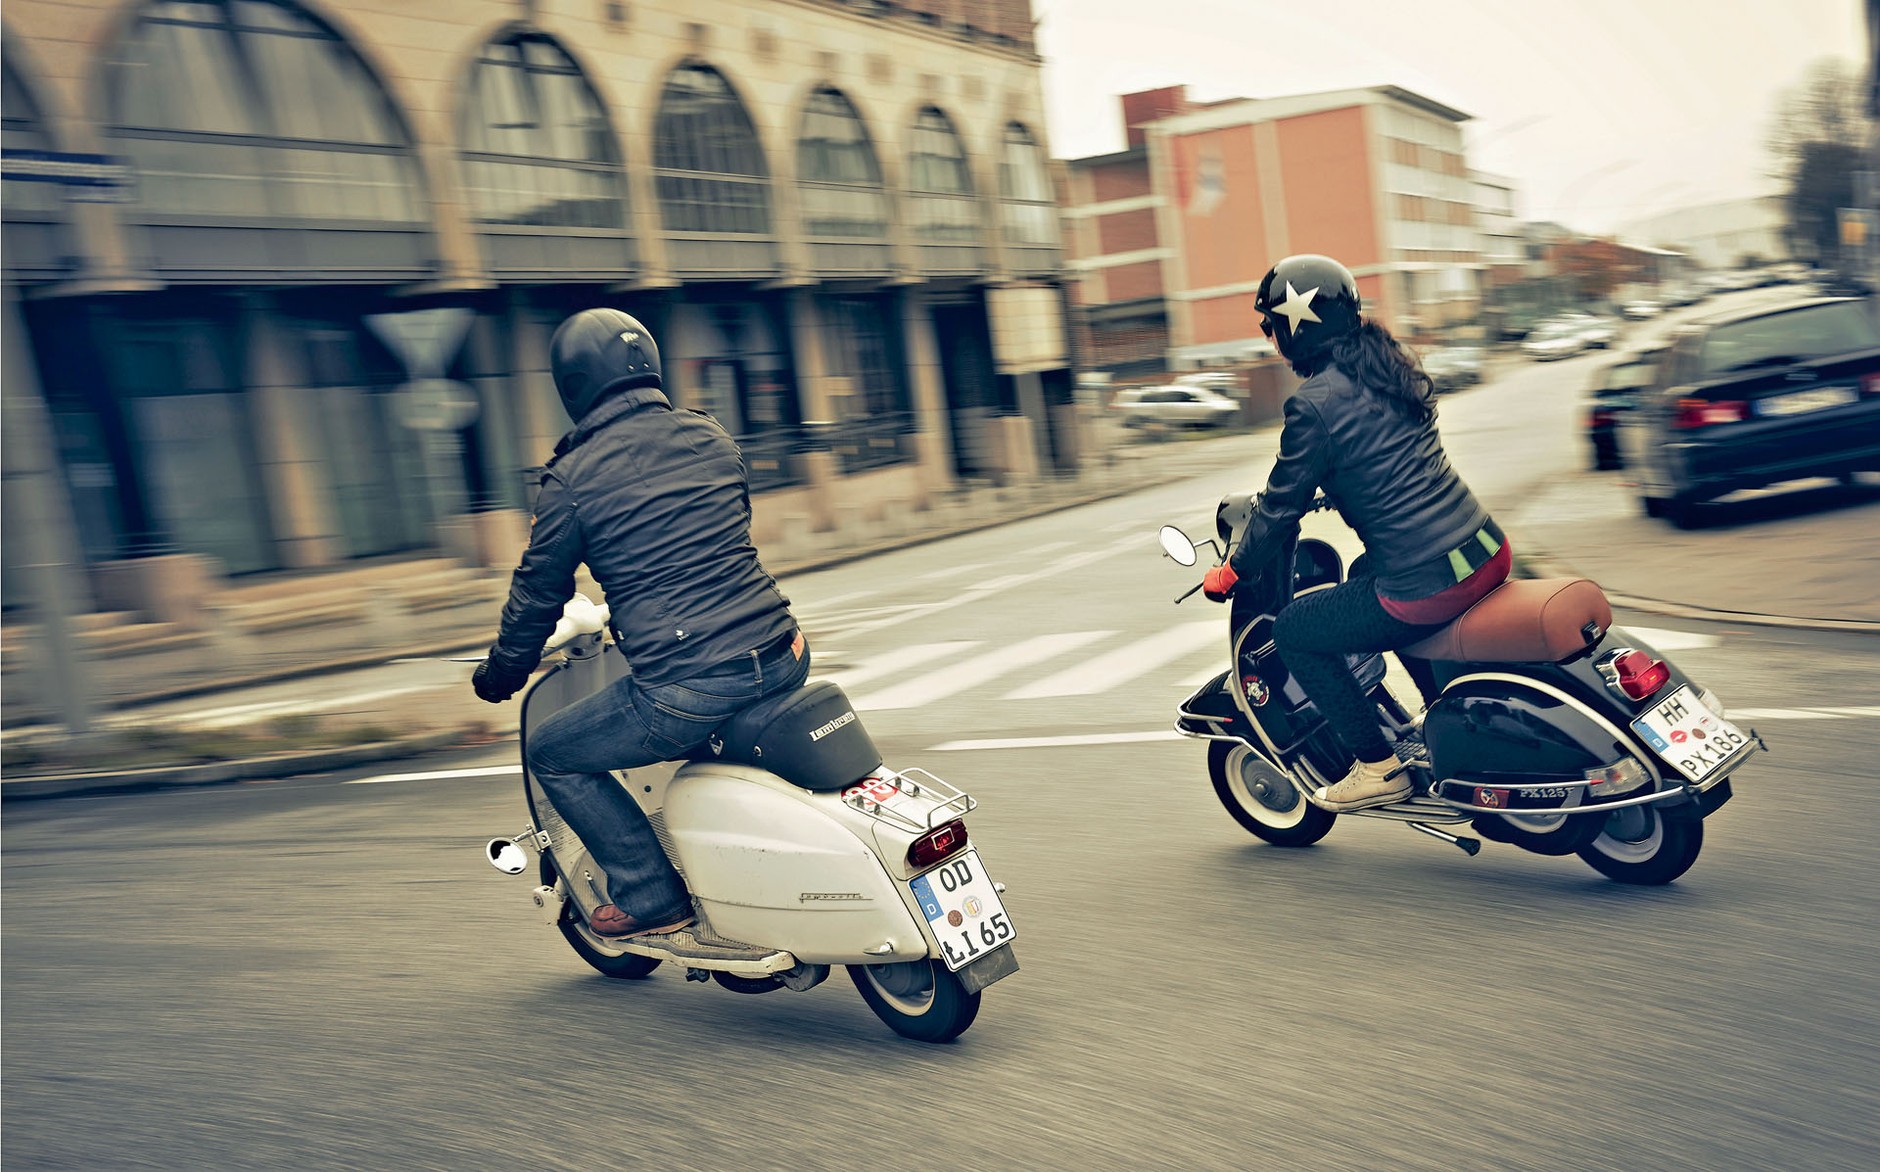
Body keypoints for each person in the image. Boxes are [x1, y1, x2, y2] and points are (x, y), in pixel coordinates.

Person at [471, 308, 808, 938]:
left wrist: (501, 675)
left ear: (571, 385)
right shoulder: (711, 435)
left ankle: (651, 894)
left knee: (555, 753)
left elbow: (538, 593)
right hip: (785, 648)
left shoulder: (572, 478)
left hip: (691, 682)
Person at [1200, 255, 1510, 811]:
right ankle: (1442, 715)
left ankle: (1377, 766)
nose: (1270, 338)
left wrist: (1233, 570)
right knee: (1367, 573)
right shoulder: (1389, 365)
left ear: (1298, 327)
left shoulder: (1312, 404)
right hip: (1484, 547)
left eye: (1271, 325)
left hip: (1428, 579)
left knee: (1296, 630)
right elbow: (1385, 454)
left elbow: (1277, 508)